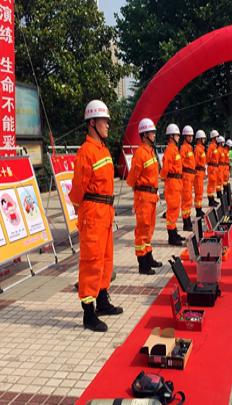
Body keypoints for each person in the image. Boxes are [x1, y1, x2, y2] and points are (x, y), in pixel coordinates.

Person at [70, 99, 123, 333]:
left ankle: (102, 300)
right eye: (104, 121)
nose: (108, 125)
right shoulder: (86, 151)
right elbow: (78, 188)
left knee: (105, 259)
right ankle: (88, 314)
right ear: (92, 122)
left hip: (105, 212)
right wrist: (80, 209)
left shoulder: (103, 150)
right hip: (93, 213)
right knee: (91, 262)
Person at [126, 118, 163, 276]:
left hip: (151, 196)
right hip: (143, 197)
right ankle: (142, 264)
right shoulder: (140, 153)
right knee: (142, 230)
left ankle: (148, 257)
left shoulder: (150, 152)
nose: (154, 135)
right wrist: (140, 188)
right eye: (152, 132)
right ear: (145, 134)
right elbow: (131, 179)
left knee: (149, 229)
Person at [161, 124, 184, 246]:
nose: (179, 137)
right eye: (177, 135)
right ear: (171, 136)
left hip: (176, 182)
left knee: (175, 208)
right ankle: (171, 236)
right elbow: (165, 169)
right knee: (172, 209)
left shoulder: (174, 150)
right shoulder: (170, 151)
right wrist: (165, 179)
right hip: (172, 182)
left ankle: (174, 232)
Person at [180, 125, 195, 232]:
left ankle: (188, 220)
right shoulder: (184, 148)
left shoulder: (189, 148)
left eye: (191, 136)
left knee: (189, 199)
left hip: (190, 176)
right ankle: (186, 222)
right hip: (186, 177)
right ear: (185, 137)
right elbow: (180, 162)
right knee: (186, 200)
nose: (191, 138)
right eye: (189, 136)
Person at [193, 130, 207, 217]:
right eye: (203, 139)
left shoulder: (201, 149)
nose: (204, 140)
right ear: (199, 139)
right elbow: (195, 162)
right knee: (198, 193)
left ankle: (199, 209)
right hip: (198, 174)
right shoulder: (198, 150)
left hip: (200, 173)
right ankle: (198, 210)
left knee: (200, 192)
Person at [206, 130, 220, 206]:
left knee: (213, 184)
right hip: (212, 167)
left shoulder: (214, 147)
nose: (218, 138)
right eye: (217, 137)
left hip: (214, 167)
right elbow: (208, 158)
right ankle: (210, 200)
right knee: (211, 184)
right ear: (214, 138)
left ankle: (212, 198)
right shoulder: (211, 147)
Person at [216, 135, 226, 201]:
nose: (224, 143)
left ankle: (219, 191)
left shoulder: (222, 150)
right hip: (219, 166)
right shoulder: (219, 150)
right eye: (223, 142)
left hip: (222, 166)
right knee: (219, 181)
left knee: (221, 180)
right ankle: (218, 192)